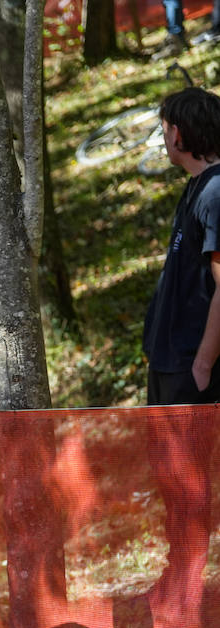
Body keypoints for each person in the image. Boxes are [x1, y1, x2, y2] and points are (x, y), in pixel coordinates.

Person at [143, 86, 220, 405]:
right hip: (170, 364)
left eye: (163, 130)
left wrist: (203, 364)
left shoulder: (215, 194)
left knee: (190, 459)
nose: (163, 140)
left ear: (177, 134)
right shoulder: (197, 187)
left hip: (191, 372)